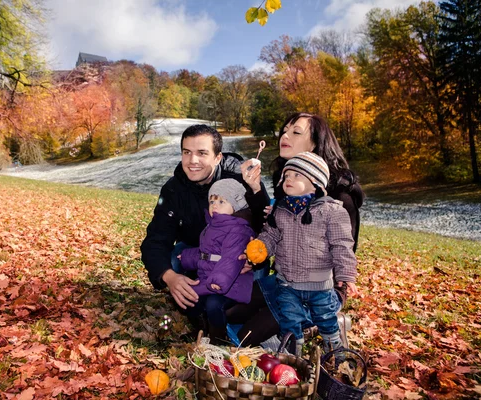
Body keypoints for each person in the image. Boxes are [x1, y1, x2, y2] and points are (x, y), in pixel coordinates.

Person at [228, 112, 365, 347]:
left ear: (315, 144)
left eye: (296, 132)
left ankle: (322, 323)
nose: (285, 135)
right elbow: (272, 228)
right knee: (228, 313)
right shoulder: (289, 180)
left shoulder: (340, 195)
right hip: (285, 280)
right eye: (284, 129)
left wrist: (344, 280)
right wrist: (255, 188)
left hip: (320, 289)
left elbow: (343, 248)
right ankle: (289, 330)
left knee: (244, 339)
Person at [140, 124, 269, 329]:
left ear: (217, 157)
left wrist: (253, 257)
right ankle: (196, 301)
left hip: (237, 254)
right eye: (187, 152)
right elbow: (155, 239)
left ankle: (238, 317)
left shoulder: (241, 179)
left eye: (202, 153)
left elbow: (267, 225)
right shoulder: (174, 189)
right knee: (172, 261)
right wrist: (169, 276)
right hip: (197, 250)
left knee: (255, 282)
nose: (193, 161)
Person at [247, 152, 358, 356]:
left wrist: (346, 274)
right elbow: (271, 235)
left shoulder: (331, 211)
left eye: (297, 176)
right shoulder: (280, 210)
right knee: (289, 319)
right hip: (287, 282)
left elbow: (342, 245)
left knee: (326, 319)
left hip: (320, 284)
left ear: (316, 182)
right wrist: (261, 248)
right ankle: (292, 354)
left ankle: (335, 353)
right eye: (286, 176)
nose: (289, 179)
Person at [178, 179, 255, 344]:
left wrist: (220, 280)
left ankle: (218, 339)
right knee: (189, 297)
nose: (214, 205)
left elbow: (231, 259)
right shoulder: (212, 226)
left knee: (214, 304)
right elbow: (205, 253)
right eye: (212, 201)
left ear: (236, 206)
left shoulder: (238, 230)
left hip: (231, 283)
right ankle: (201, 332)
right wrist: (186, 257)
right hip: (210, 278)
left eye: (221, 201)